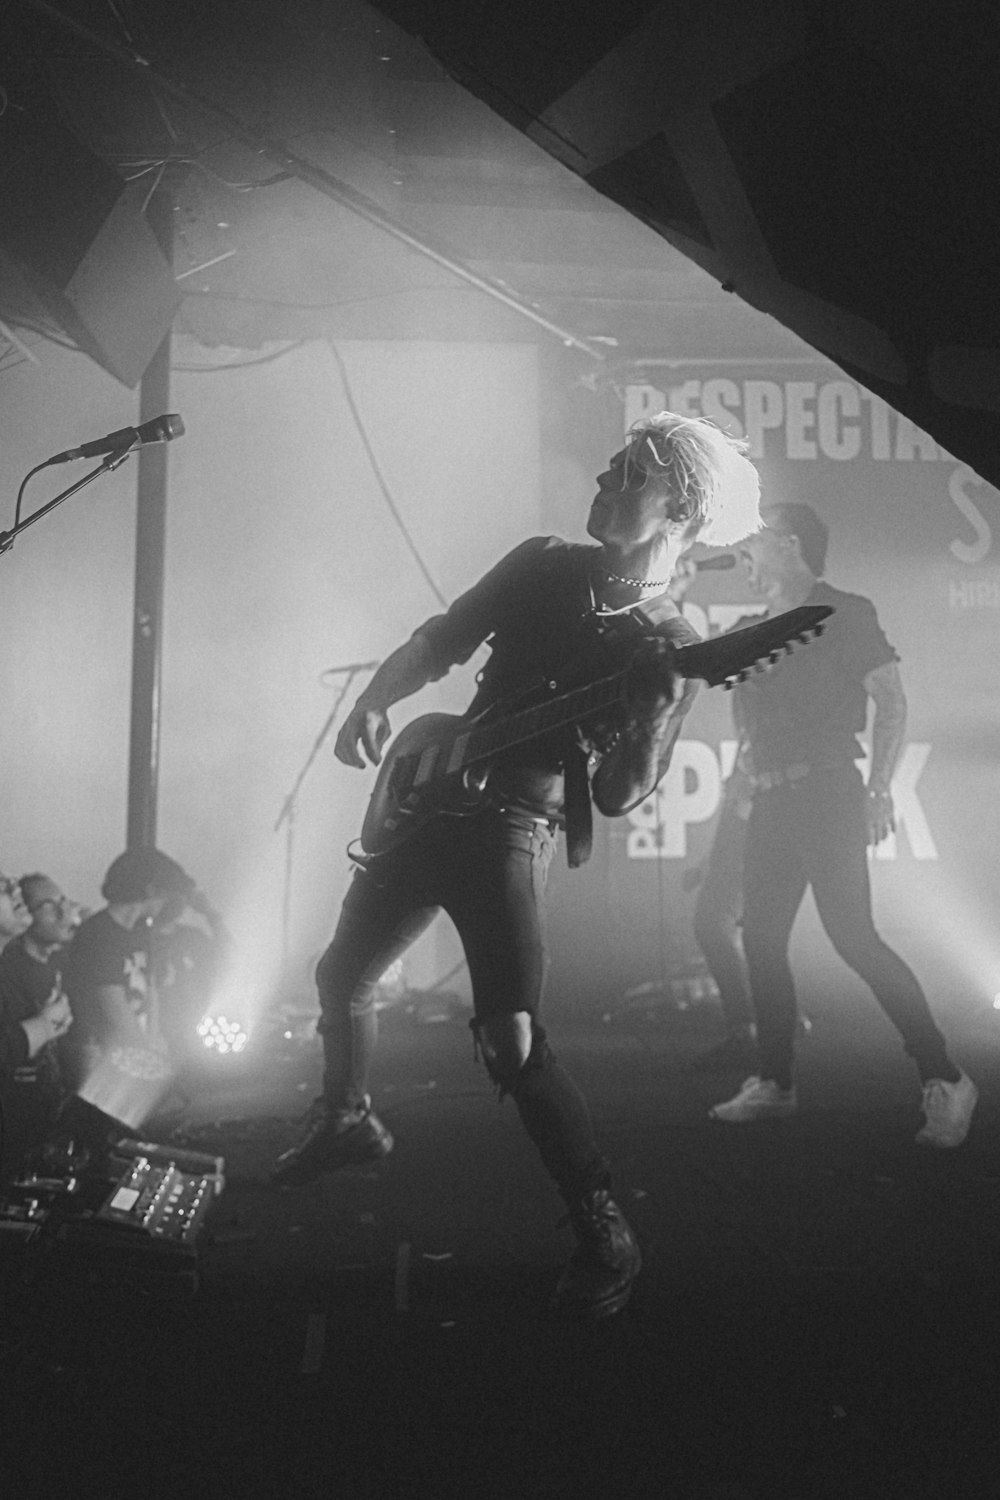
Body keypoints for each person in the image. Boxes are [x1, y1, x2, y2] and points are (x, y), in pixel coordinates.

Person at [271, 412, 763, 1319]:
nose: (608, 474)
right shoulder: (543, 562)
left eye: (633, 473)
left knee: (512, 1041)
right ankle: (346, 1118)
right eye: (611, 459)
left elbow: (619, 796)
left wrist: (655, 712)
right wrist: (378, 699)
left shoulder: (664, 642)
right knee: (340, 975)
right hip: (429, 792)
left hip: (510, 828)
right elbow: (443, 639)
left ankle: (604, 1225)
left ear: (681, 509)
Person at [709, 503, 978, 1147]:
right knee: (761, 940)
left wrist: (880, 788)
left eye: (755, 542)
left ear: (792, 545)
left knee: (853, 936)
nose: (744, 554)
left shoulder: (844, 612)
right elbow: (743, 719)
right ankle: (775, 1081)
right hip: (771, 802)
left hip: (829, 791)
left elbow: (891, 699)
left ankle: (943, 1075)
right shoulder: (749, 629)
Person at [62, 848, 200, 1118]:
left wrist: (155, 1040)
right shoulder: (98, 932)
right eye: (164, 894)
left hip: (137, 1053)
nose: (165, 904)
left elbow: (152, 988)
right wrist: (149, 1057)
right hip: (101, 1060)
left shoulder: (140, 932)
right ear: (150, 889)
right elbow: (111, 1002)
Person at [0, 874, 77, 1180]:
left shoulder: (59, 962)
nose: (12, 891)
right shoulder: (12, 972)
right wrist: (44, 1025)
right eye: (3, 889)